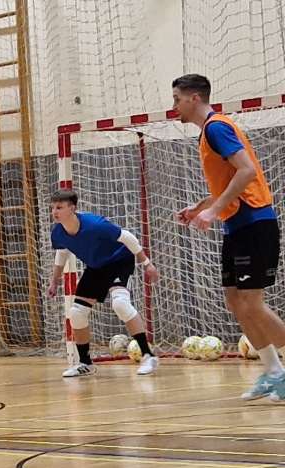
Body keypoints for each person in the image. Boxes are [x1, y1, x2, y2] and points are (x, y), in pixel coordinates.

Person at [173, 73, 285, 401]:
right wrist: (201, 207)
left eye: (177, 99)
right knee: (235, 301)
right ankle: (273, 372)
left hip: (255, 223)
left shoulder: (216, 127)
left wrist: (213, 210)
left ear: (194, 98)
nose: (174, 106)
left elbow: (247, 170)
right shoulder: (207, 134)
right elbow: (230, 183)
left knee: (252, 302)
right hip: (237, 225)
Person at [47, 189, 160, 377]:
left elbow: (127, 237)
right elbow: (62, 252)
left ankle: (149, 356)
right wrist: (54, 281)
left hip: (119, 261)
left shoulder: (95, 225)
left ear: (72, 208)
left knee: (120, 304)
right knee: (76, 313)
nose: (54, 212)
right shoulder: (58, 233)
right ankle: (85, 363)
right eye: (53, 208)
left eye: (59, 207)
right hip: (96, 267)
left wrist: (147, 263)